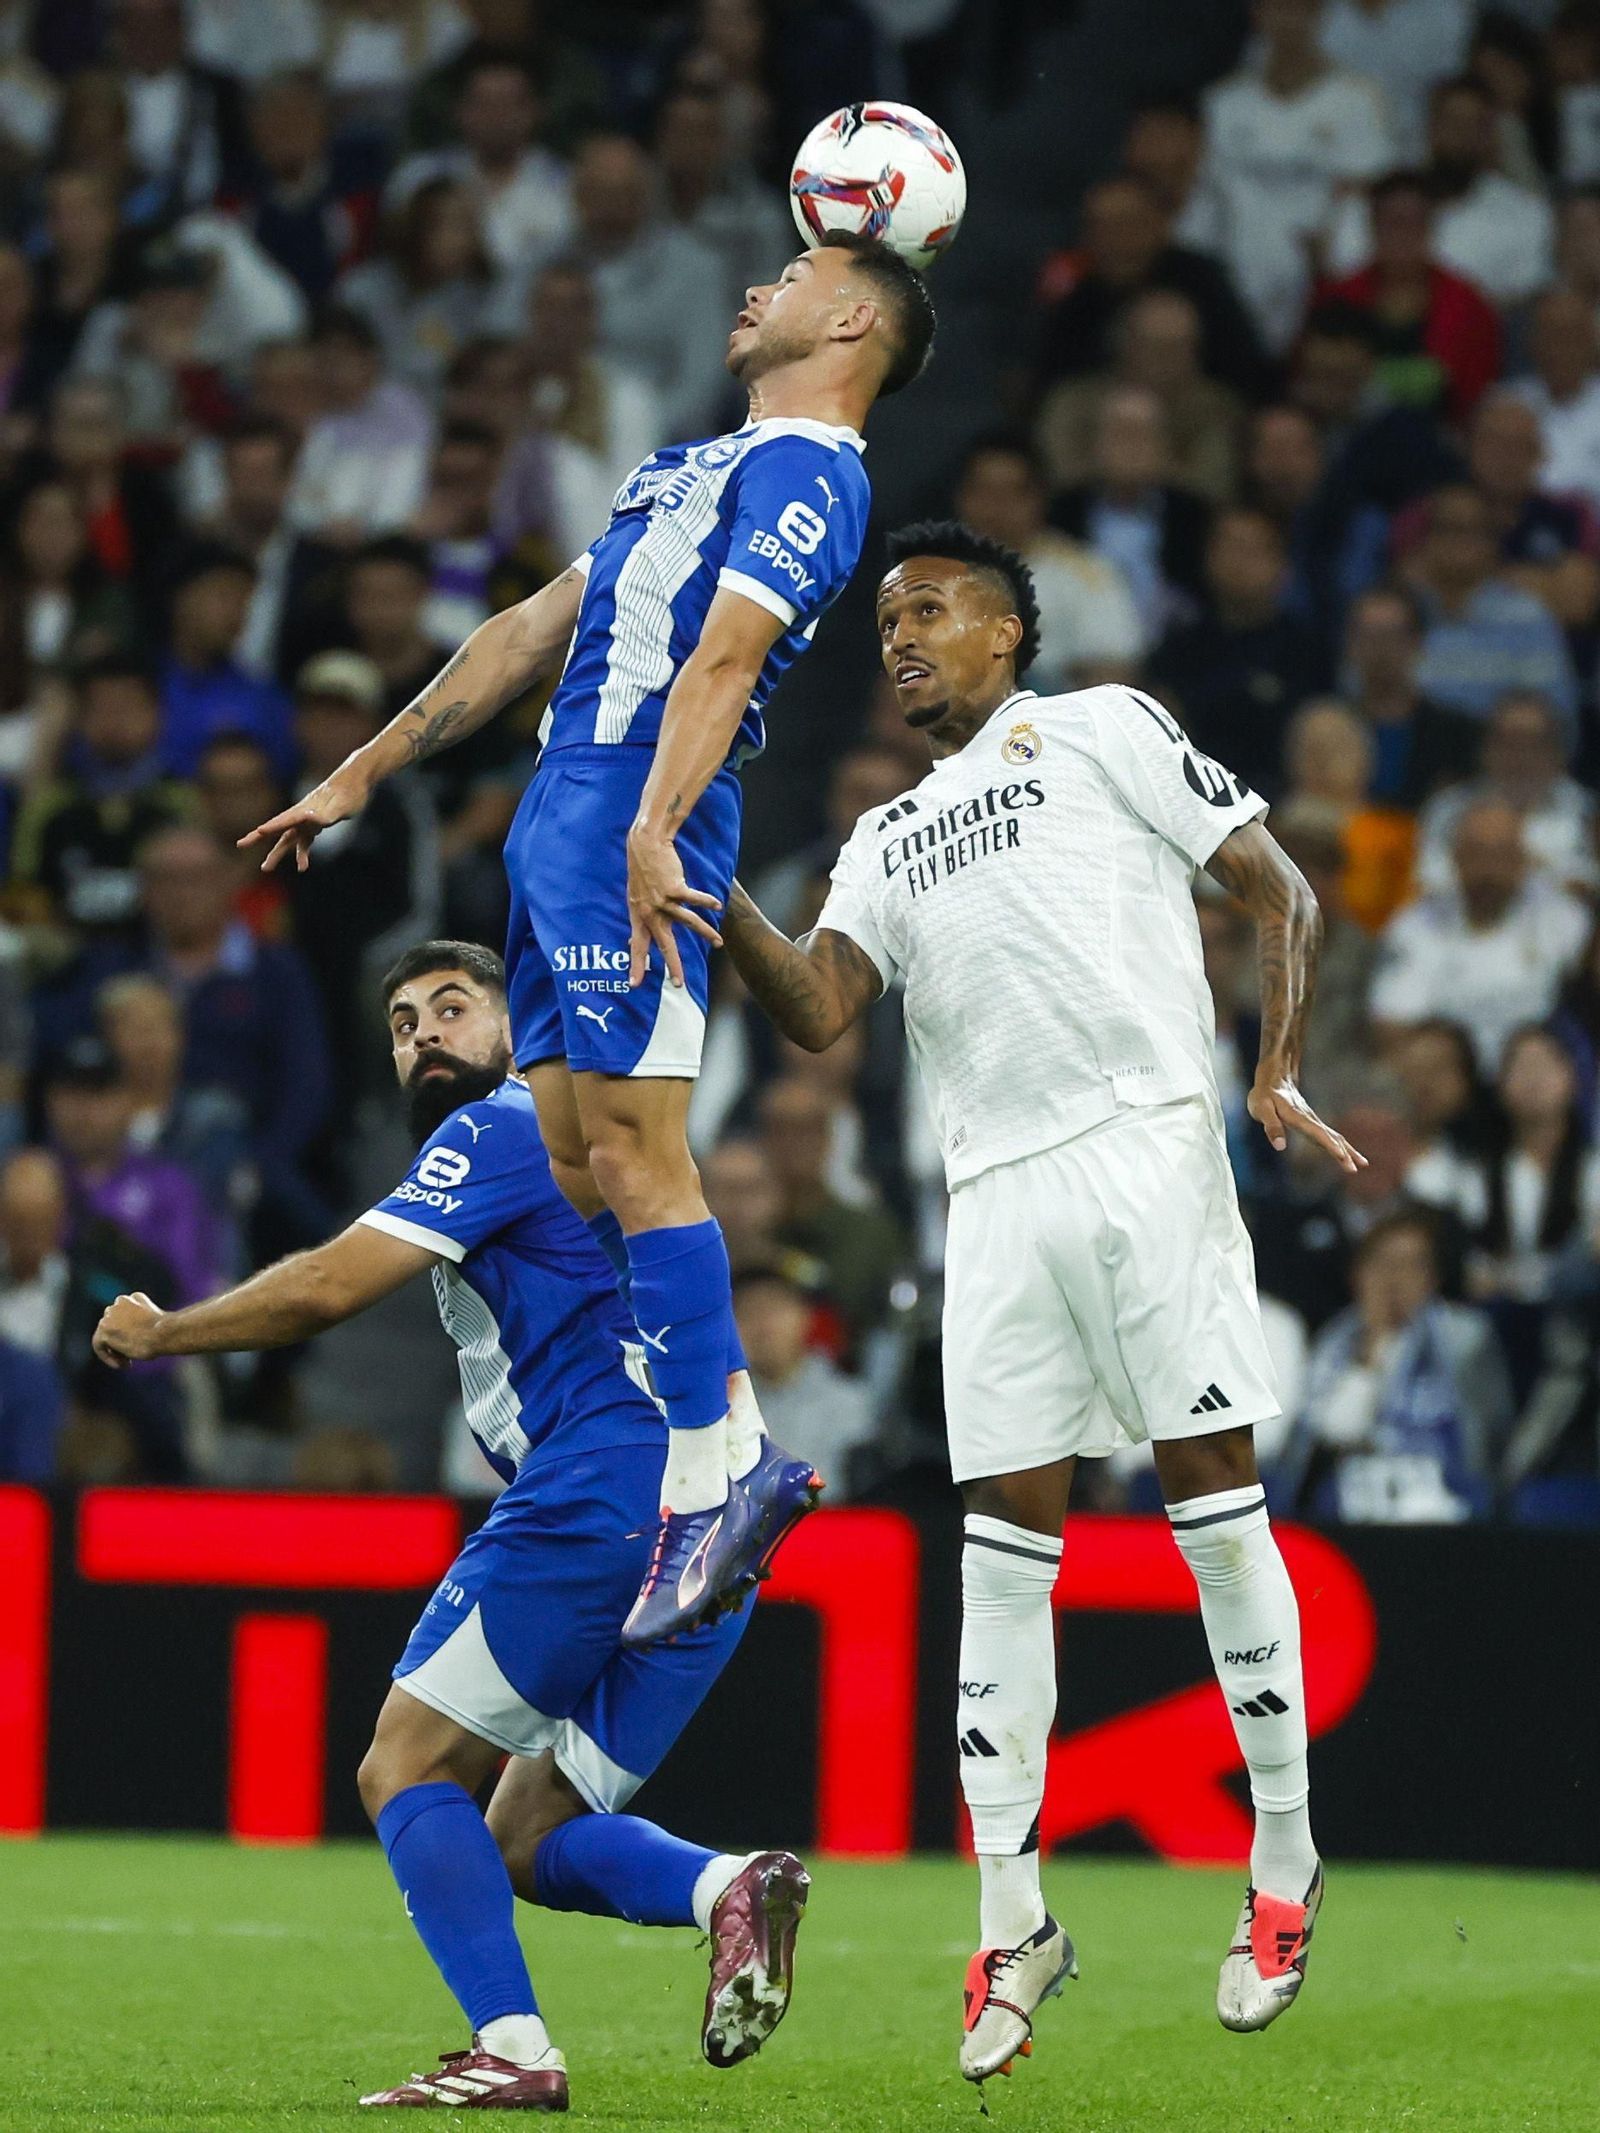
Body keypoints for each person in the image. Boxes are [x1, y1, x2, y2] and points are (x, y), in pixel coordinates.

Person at [718, 520, 1365, 2074]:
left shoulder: (1102, 728)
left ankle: (1281, 1860)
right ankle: (1013, 1921)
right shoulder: (878, 835)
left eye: (929, 608)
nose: (900, 635)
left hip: (1145, 1146)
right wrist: (710, 889)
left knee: (1214, 1502)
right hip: (993, 1196)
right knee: (1004, 1556)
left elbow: (1282, 894)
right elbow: (815, 1011)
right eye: (886, 618)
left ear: (1009, 633)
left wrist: (1270, 1070)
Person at [240, 235, 934, 1643]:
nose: (758, 286)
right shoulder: (682, 468)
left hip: (635, 798)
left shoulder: (813, 472)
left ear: (852, 316)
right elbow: (525, 630)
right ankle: (691, 1445)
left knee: (632, 1148)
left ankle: (721, 1463)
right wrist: (361, 772)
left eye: (794, 273)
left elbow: (728, 657)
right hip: (567, 810)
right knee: (569, 1151)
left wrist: (657, 823)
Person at [90, 939, 811, 2106]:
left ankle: (514, 2052)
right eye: (401, 1021)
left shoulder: (499, 1127)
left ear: (516, 1020)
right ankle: (726, 1888)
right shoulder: (614, 1134)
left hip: (600, 1490)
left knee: (402, 1763)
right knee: (523, 1833)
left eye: (452, 1007)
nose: (422, 1033)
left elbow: (327, 1288)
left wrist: (168, 1333)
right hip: (711, 1514)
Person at [1291, 1207, 1512, 1520]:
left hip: (1443, 1507)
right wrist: (1370, 1348)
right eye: (1383, 1263)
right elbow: (1328, 1438)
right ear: (1358, 1275)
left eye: (1411, 1265)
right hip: (1353, 1505)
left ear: (1433, 1278)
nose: (1394, 1278)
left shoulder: (1464, 1337)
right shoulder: (1335, 1343)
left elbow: (1489, 1443)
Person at [1370, 798, 1590, 1068]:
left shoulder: (1562, 917)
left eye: (1501, 854)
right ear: (1455, 857)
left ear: (1523, 860)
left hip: (1533, 1074)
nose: (1489, 870)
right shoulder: (1415, 926)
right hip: (1450, 1081)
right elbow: (1391, 1023)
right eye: (1476, 853)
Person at [953, 433, 1146, 689]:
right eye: (984, 491)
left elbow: (1114, 675)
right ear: (961, 497)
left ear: (1040, 498)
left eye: (1012, 493)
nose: (997, 507)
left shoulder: (1088, 575)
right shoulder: (925, 576)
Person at [1415, 690, 1596, 897]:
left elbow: (1587, 885)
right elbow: (1429, 883)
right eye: (1509, 743)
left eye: (1535, 744)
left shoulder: (1585, 811)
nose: (1522, 757)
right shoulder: (1447, 809)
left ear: (1558, 753)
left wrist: (1497, 864)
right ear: (1485, 750)